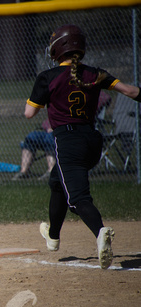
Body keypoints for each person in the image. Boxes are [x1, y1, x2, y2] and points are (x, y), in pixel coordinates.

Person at [25, 24, 141, 269]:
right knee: (58, 182)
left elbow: (29, 113)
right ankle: (53, 236)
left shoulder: (48, 77)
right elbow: (130, 90)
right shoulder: (95, 73)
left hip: (68, 143)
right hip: (92, 142)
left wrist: (50, 101)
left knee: (76, 197)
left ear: (57, 49)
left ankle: (101, 233)